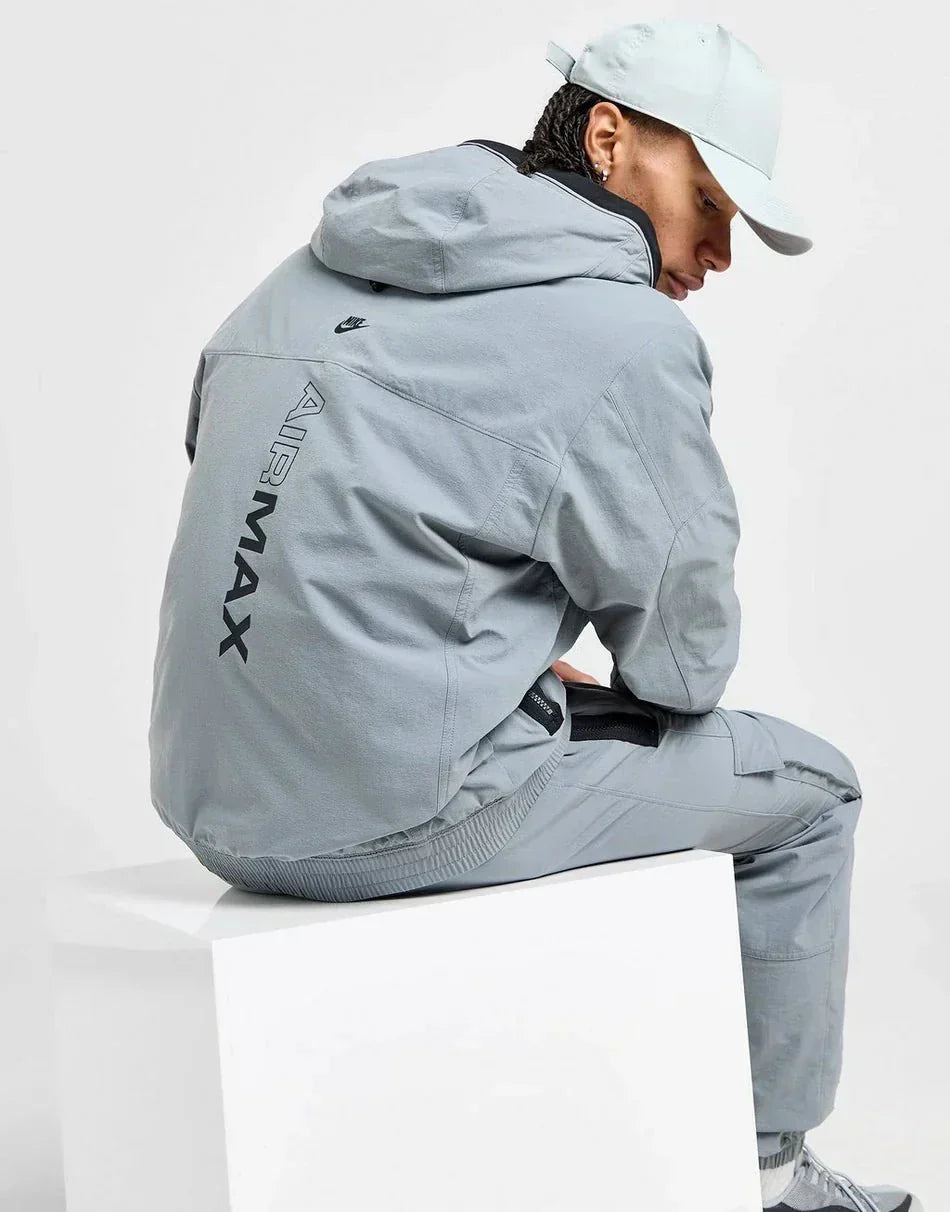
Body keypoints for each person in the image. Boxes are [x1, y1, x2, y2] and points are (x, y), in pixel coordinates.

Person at [148, 18, 920, 1212]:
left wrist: (469, 645)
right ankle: (771, 1183)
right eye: (707, 203)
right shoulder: (626, 338)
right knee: (812, 796)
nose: (719, 253)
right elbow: (682, 666)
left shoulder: (299, 275)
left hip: (206, 792)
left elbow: (238, 474)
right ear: (608, 137)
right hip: (389, 817)